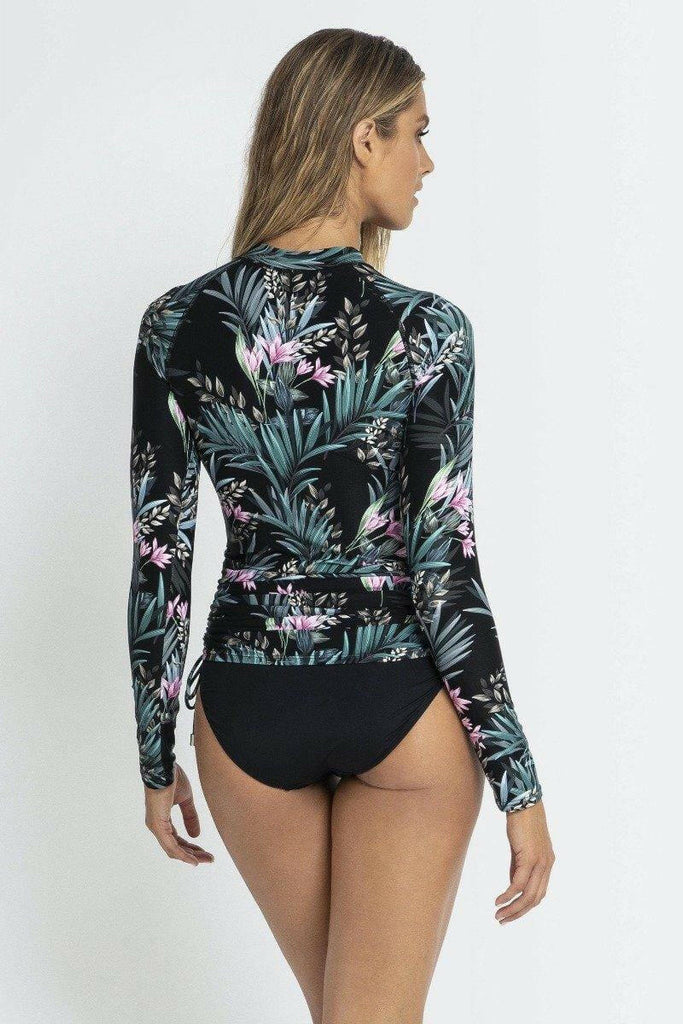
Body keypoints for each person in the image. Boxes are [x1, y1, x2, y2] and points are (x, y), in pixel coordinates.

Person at [127, 27, 555, 1024]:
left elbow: (160, 554)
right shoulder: (428, 329)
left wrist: (155, 754)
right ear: (364, 138)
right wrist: (517, 778)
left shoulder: (175, 325)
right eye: (416, 132)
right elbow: (443, 567)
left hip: (246, 714)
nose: (426, 161)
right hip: (396, 702)